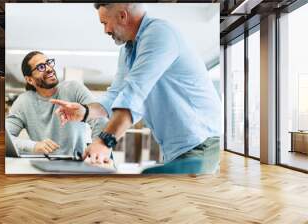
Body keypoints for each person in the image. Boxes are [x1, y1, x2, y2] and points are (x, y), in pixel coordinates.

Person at [51, 3, 221, 174]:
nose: (105, 30)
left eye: (105, 23)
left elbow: (133, 95)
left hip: (201, 145)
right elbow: (116, 95)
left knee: (149, 181)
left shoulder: (159, 34)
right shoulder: (128, 50)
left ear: (123, 16)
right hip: (176, 150)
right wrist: (85, 111)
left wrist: (104, 142)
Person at [6, 51, 107, 157]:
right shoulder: (23, 102)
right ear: (29, 80)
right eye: (41, 67)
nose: (49, 69)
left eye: (48, 63)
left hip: (76, 163)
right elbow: (5, 138)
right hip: (43, 165)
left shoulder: (74, 89)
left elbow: (100, 119)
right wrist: (34, 146)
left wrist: (97, 147)